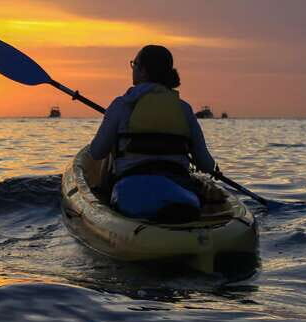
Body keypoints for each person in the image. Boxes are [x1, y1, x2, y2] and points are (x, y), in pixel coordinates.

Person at [89, 45, 217, 222]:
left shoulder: (121, 105)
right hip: (179, 191)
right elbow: (206, 165)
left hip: (131, 191)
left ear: (143, 71)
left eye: (134, 64)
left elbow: (96, 152)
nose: (133, 68)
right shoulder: (183, 109)